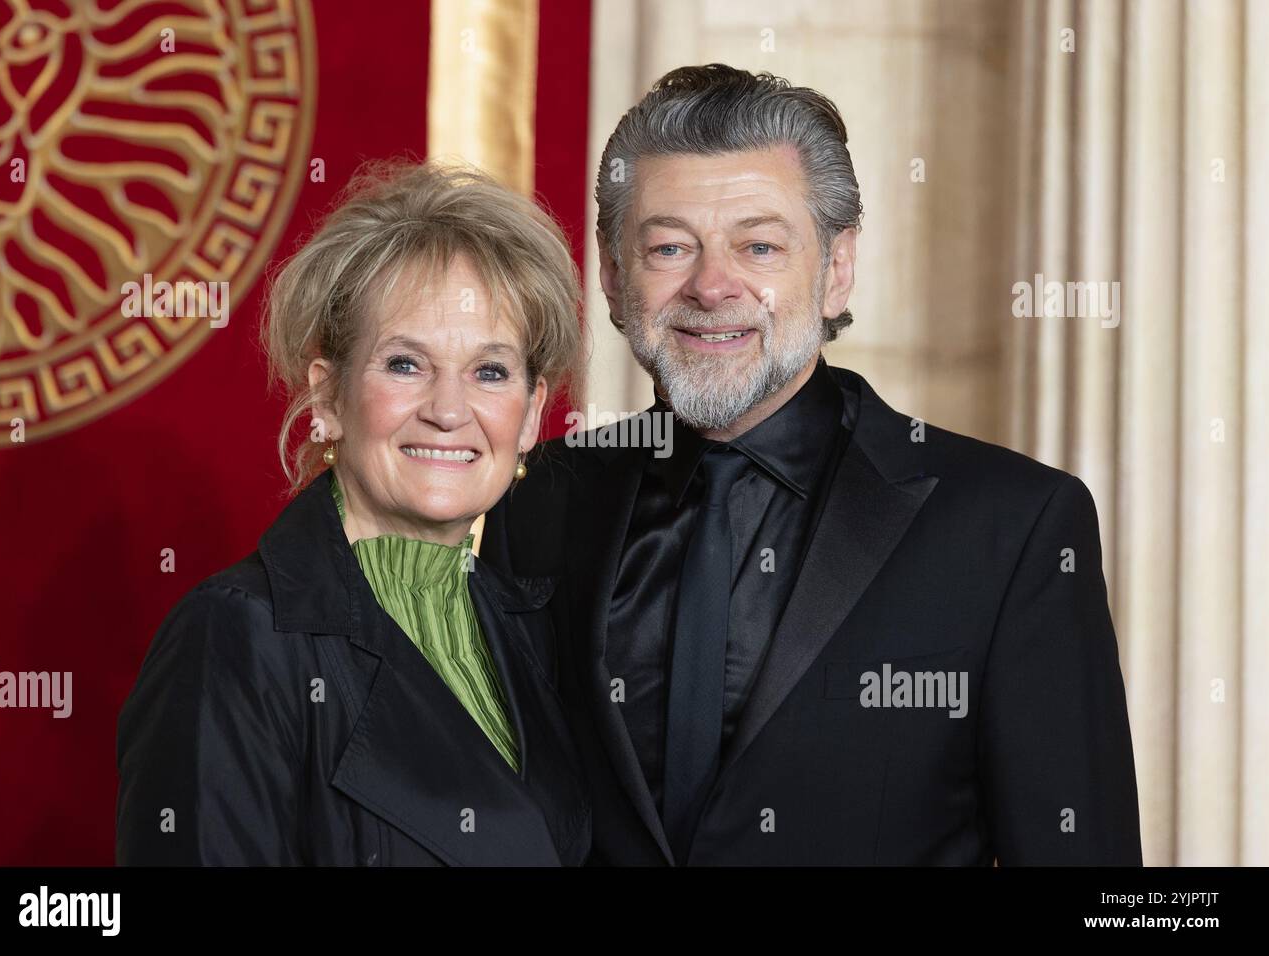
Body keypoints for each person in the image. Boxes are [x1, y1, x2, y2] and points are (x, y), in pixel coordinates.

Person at [481, 64, 1143, 865]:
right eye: (669, 247)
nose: (713, 285)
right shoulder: (535, 500)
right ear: (616, 279)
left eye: (759, 245)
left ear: (835, 271)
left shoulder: (1013, 527)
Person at [116, 159, 589, 866]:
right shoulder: (235, 637)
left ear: (529, 417)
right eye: (405, 364)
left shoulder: (535, 631)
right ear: (329, 398)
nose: (449, 410)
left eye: (490, 372)